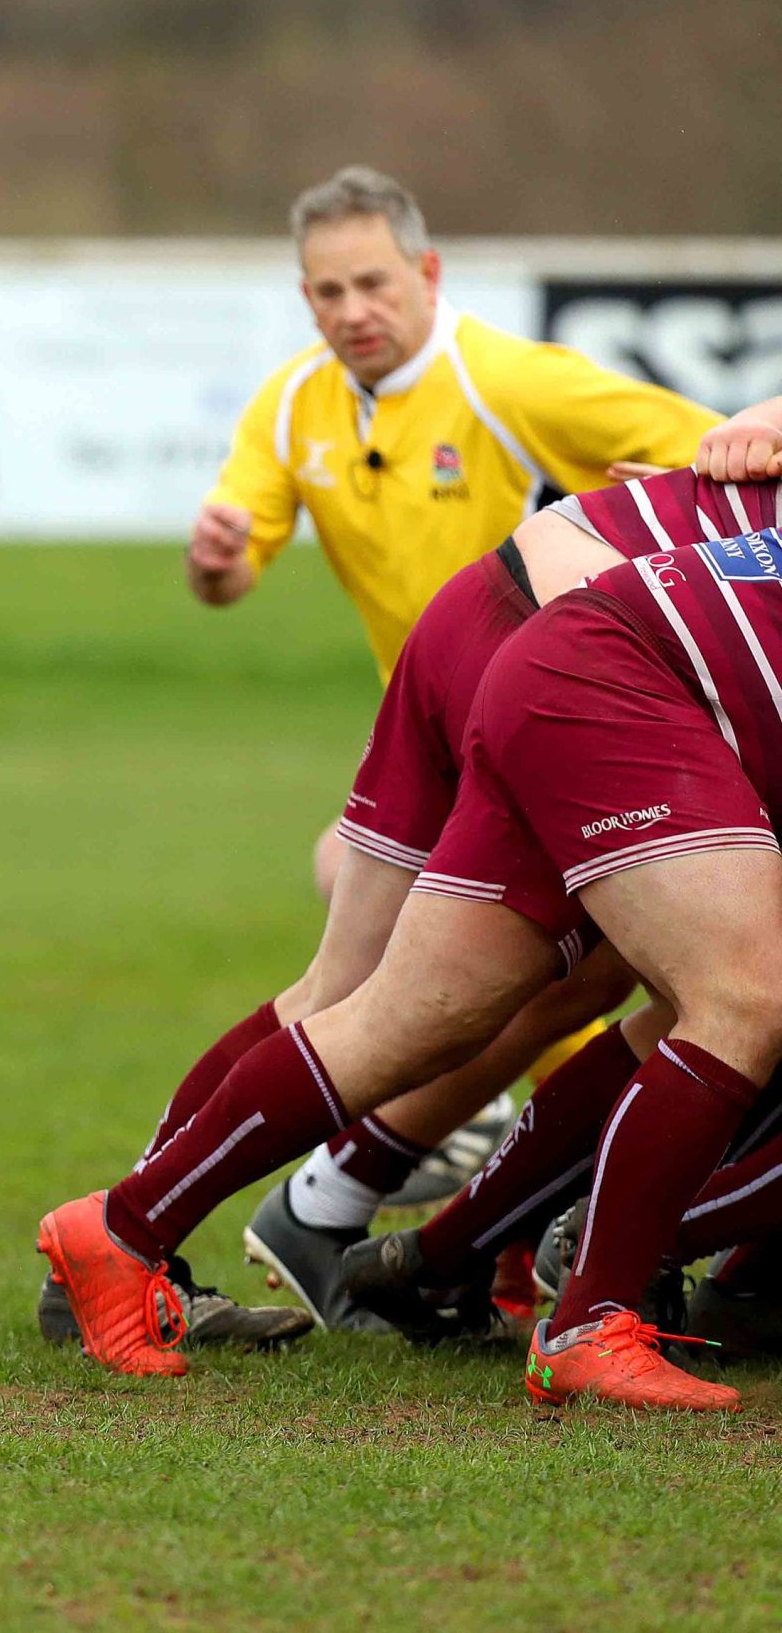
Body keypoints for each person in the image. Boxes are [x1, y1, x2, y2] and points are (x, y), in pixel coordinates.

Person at [44, 490, 782, 1410]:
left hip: (561, 654)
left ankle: (124, 1230)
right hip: (612, 674)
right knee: (741, 997)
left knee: (407, 1012)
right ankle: (577, 1304)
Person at [154, 167, 720, 1320]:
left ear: (426, 273)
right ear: (304, 300)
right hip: (443, 742)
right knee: (532, 985)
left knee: (566, 981)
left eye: (372, 283)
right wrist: (216, 564)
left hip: (540, 737)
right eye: (327, 292)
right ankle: (266, 1211)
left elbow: (722, 457)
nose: (352, 310)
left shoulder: (511, 381)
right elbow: (233, 564)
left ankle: (433, 1232)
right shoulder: (292, 406)